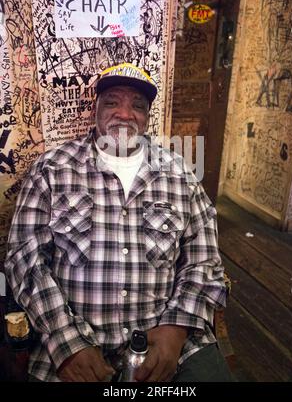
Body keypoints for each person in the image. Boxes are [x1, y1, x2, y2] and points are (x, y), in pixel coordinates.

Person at [5, 63, 232, 382]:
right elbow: (23, 260)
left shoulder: (181, 175)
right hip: (75, 349)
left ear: (147, 116)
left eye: (137, 105)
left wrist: (176, 329)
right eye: (112, 101)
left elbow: (204, 260)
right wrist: (67, 343)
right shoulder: (52, 171)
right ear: (95, 108)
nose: (125, 114)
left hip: (171, 346)